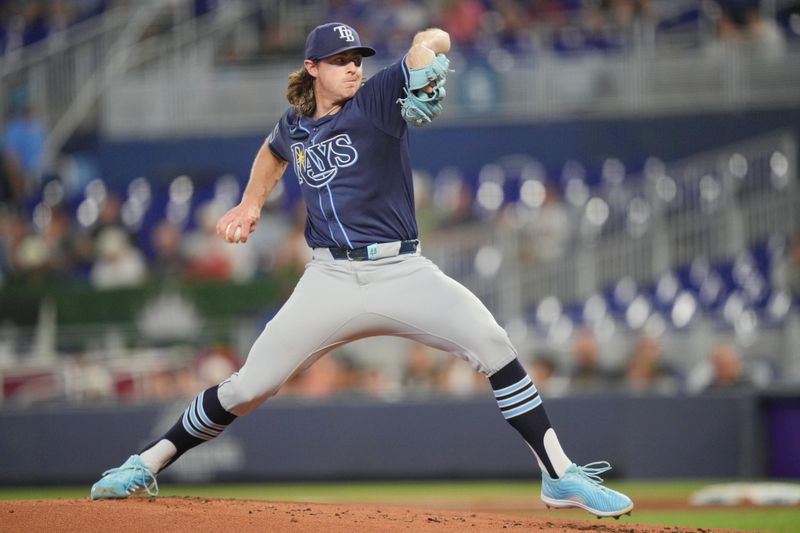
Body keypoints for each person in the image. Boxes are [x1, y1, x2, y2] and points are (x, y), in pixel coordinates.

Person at [89, 21, 633, 519]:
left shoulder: (375, 97)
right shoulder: (296, 123)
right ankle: (146, 463)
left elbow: (432, 38)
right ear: (313, 68)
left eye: (357, 57)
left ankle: (559, 474)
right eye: (340, 58)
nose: (354, 66)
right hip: (328, 279)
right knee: (247, 387)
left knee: (494, 343)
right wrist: (253, 202)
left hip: (402, 270)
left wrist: (423, 69)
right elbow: (272, 152)